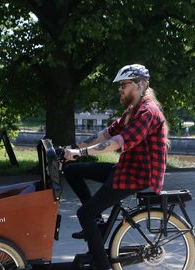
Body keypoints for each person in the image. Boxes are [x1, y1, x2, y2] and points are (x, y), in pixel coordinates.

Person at [63, 64, 169, 270]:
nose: (120, 89)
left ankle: (100, 264)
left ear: (140, 85)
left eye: (124, 85)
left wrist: (81, 153)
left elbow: (119, 141)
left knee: (84, 213)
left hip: (138, 176)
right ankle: (98, 224)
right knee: (71, 170)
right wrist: (71, 148)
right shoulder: (134, 109)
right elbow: (107, 133)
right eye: (119, 85)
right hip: (126, 169)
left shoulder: (148, 111)